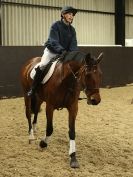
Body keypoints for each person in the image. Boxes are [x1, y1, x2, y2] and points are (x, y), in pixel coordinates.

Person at [27, 6, 78, 97]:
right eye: (69, 14)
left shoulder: (72, 30)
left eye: (72, 15)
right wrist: (62, 50)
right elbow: (54, 41)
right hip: (52, 51)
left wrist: (72, 54)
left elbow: (73, 44)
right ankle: (33, 88)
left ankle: (71, 91)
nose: (71, 16)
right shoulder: (55, 25)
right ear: (63, 15)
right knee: (43, 65)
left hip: (65, 53)